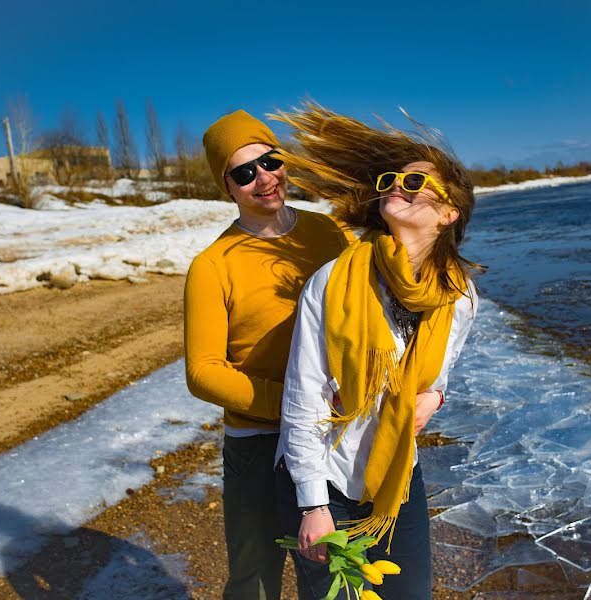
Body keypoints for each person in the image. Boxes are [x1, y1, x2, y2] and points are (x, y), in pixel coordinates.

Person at [272, 104, 480, 600]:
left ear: (449, 213)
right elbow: (304, 394)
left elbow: (435, 373)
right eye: (391, 180)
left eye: (412, 184)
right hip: (328, 476)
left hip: (395, 476)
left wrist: (437, 396)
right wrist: (312, 505)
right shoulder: (335, 280)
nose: (395, 188)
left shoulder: (460, 295)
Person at [185, 109, 350, 600]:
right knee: (255, 579)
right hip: (258, 442)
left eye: (270, 161)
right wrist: (293, 403)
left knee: (334, 571)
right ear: (228, 188)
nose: (263, 178)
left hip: (331, 435)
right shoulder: (212, 266)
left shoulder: (328, 235)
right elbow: (203, 373)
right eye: (244, 173)